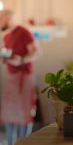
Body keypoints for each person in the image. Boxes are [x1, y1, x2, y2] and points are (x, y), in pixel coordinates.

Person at [0, 10, 41, 145]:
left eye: (1, 19)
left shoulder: (24, 32)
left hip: (24, 78)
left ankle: (24, 142)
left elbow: (36, 53)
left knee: (24, 113)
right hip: (12, 78)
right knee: (8, 113)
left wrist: (22, 60)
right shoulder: (6, 37)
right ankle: (11, 142)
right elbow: (8, 55)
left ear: (8, 19)